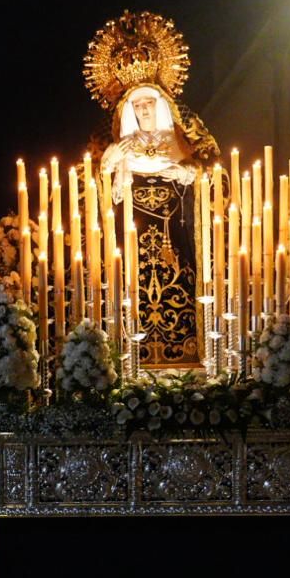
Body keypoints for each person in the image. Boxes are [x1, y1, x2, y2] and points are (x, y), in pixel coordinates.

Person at [98, 83, 220, 368]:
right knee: (132, 292)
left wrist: (186, 172)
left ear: (160, 106)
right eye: (137, 105)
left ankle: (184, 352)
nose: (143, 110)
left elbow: (207, 175)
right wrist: (110, 162)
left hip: (173, 237)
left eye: (148, 104)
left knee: (181, 286)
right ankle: (132, 356)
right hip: (134, 239)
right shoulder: (122, 148)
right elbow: (99, 194)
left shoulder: (179, 142)